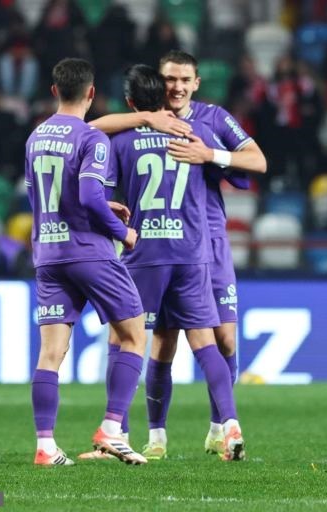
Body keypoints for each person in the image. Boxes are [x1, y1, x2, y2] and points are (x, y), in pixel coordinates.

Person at [91, 50, 266, 458]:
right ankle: (157, 437)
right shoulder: (155, 125)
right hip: (182, 247)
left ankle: (215, 428)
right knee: (164, 342)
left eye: (185, 79)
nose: (177, 86)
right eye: (170, 79)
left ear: (197, 82)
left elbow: (257, 160)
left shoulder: (212, 120)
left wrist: (211, 155)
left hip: (207, 244)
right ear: (160, 81)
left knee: (224, 339)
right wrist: (144, 118)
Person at [26, 58, 147, 466]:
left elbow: (48, 197)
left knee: (51, 353)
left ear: (54, 90)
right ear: (92, 93)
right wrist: (122, 231)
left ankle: (45, 446)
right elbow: (91, 198)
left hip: (48, 253)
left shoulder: (36, 137)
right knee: (133, 334)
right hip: (88, 252)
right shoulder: (92, 137)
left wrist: (97, 207)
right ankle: (112, 429)